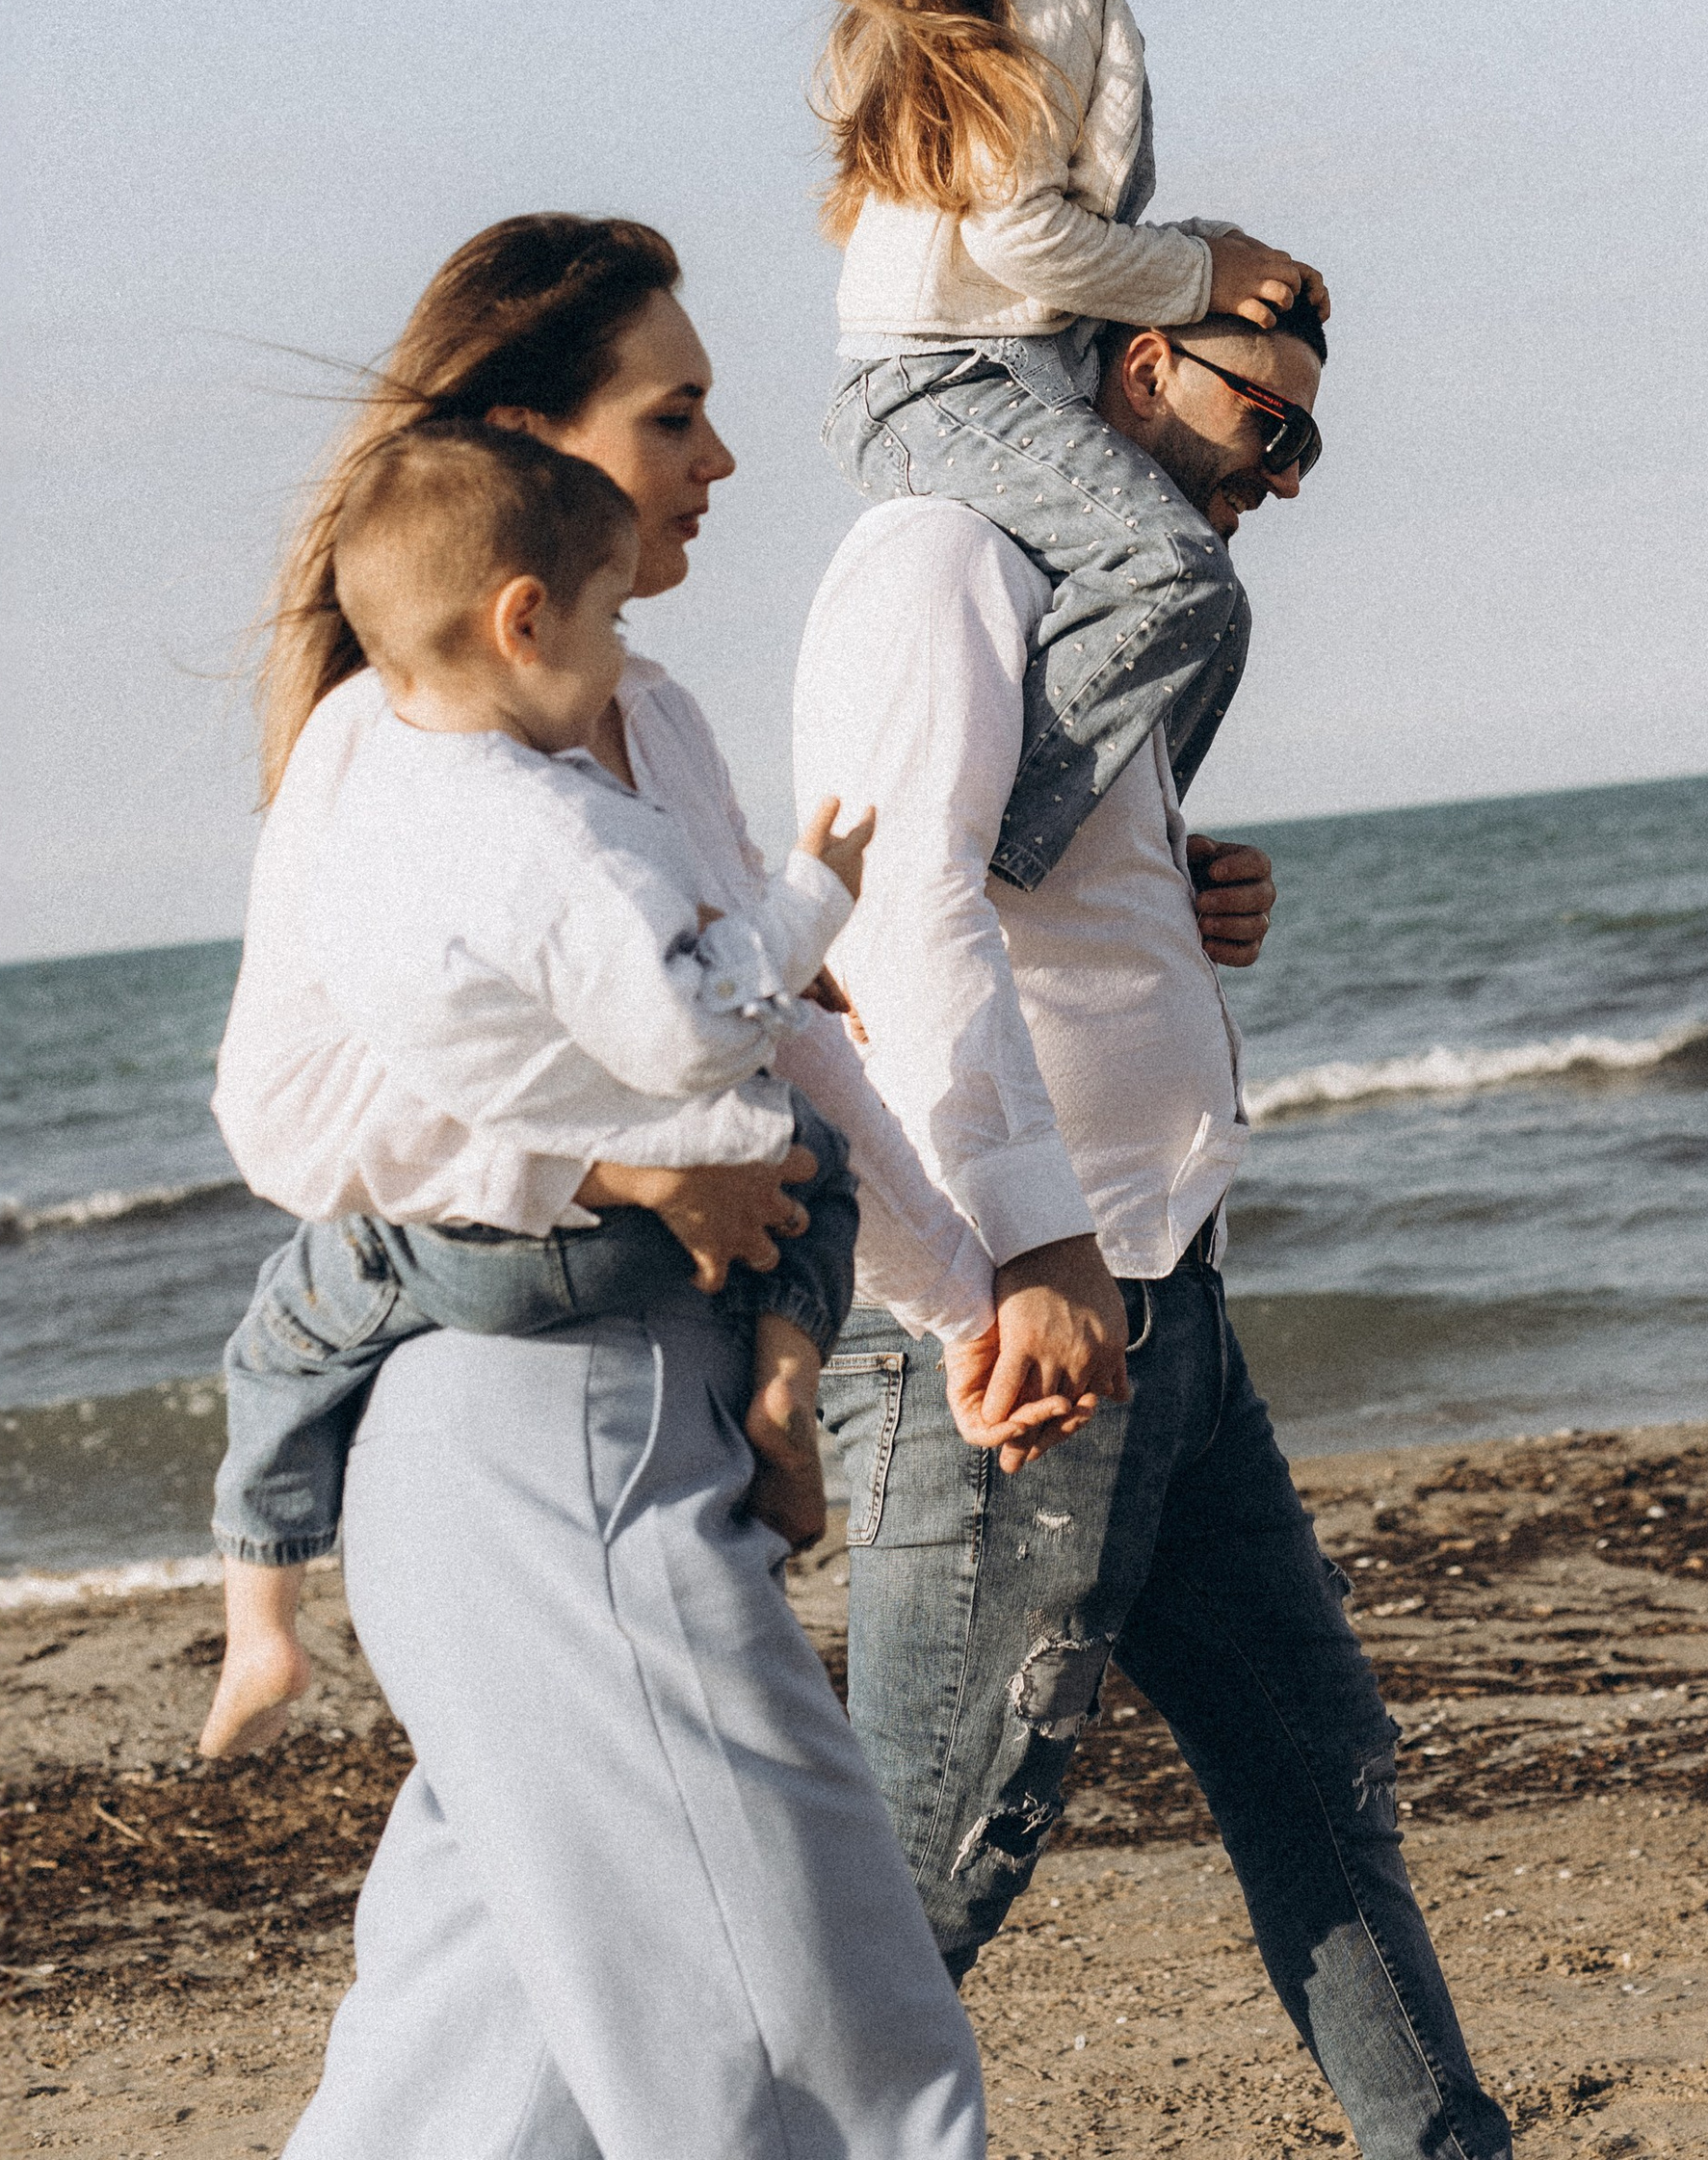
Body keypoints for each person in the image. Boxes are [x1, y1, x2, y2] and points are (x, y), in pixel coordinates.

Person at [217, 216, 1027, 2160]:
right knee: (820, 2062)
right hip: (539, 1446)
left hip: (613, 1437)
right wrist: (626, 1168)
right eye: (674, 417)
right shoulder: (377, 755)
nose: (718, 461)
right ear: (528, 454)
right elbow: (285, 1116)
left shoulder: (639, 716)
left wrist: (961, 1292)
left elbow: (781, 1035)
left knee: (472, 2083)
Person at [798, 298, 1517, 2160]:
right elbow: (899, 913)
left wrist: (1178, 891)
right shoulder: (939, 554)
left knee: (1318, 1769)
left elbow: (1027, 877)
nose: (1274, 477)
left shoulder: (1087, 588)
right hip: (1018, 1318)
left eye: (1303, 449)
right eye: (1260, 425)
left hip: (1165, 1291)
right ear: (1132, 370)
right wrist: (1022, 1256)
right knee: (927, 1878)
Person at [197, 417, 884, 1766]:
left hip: (455, 1247)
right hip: (600, 1249)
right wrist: (810, 905)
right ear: (525, 620)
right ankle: (788, 1379)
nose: (626, 651)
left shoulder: (378, 802)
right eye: (611, 617)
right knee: (817, 1156)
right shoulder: (559, 827)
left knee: (286, 1330)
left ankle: (262, 1612)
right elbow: (696, 1032)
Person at [817, 0, 1327, 890]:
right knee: (1168, 572)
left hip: (989, 375)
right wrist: (1207, 269)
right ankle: (984, 867)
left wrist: (1237, 273)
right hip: (941, 384)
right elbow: (1022, 243)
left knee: (1216, 616)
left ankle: (1132, 859)